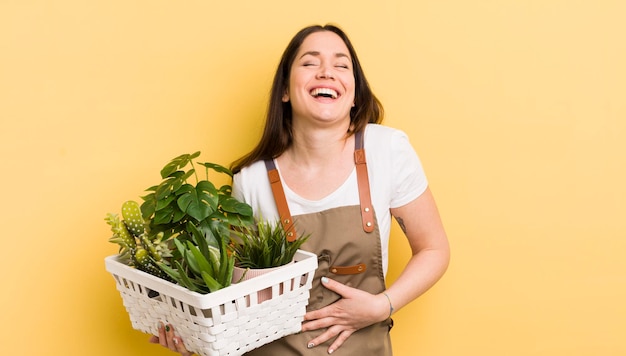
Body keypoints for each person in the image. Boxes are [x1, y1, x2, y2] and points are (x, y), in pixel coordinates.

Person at [150, 23, 450, 355]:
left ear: (354, 92)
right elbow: (237, 298)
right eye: (310, 63)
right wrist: (193, 338)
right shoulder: (251, 179)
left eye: (341, 65)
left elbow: (434, 249)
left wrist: (384, 305)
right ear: (285, 90)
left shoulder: (388, 150)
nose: (327, 72)